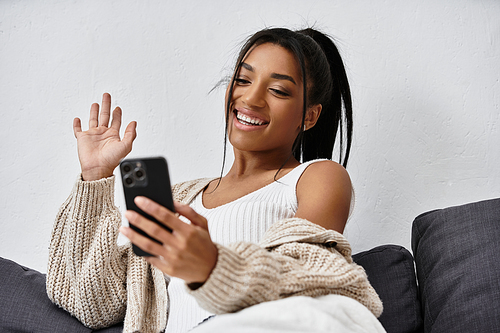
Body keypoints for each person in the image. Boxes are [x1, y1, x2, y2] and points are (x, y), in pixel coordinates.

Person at [46, 27, 384, 333]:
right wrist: (95, 177)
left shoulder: (315, 176)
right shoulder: (182, 199)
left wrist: (214, 266)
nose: (250, 99)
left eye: (279, 90)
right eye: (243, 80)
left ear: (308, 117)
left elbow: (310, 270)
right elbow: (92, 304)